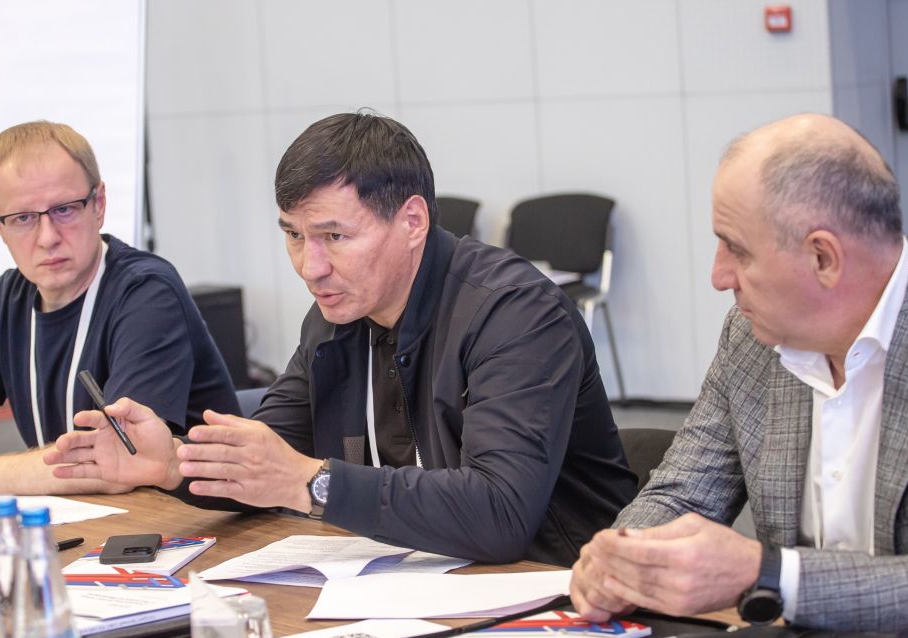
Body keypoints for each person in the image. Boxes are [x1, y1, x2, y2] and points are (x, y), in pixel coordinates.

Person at [46, 111, 636, 564]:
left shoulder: (515, 313)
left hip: (554, 594)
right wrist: (174, 464)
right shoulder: (335, 316)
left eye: (334, 236)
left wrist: (310, 481)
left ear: (412, 221)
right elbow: (267, 460)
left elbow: (500, 514)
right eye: (294, 236)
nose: (311, 267)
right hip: (421, 583)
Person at [570, 113, 908, 638]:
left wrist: (771, 575)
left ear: (823, 257)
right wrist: (624, 558)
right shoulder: (753, 338)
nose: (719, 277)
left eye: (737, 249)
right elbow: (683, 494)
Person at [0, 121, 238, 498]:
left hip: (191, 522)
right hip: (88, 519)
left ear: (99, 204)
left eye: (64, 210)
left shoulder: (146, 293)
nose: (47, 238)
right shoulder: (6, 301)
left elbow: (116, 464)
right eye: (22, 218)